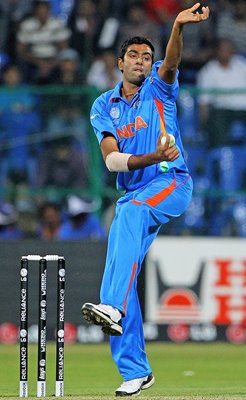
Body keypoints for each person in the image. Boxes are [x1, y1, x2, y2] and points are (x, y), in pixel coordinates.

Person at [81, 2, 209, 397]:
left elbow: (171, 63)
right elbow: (112, 160)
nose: (142, 61)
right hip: (136, 189)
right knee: (127, 254)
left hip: (172, 182)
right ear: (120, 63)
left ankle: (112, 306)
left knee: (129, 212)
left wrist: (177, 27)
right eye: (134, 56)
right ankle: (136, 370)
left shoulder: (160, 89)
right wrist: (151, 155)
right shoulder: (105, 105)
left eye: (147, 57)